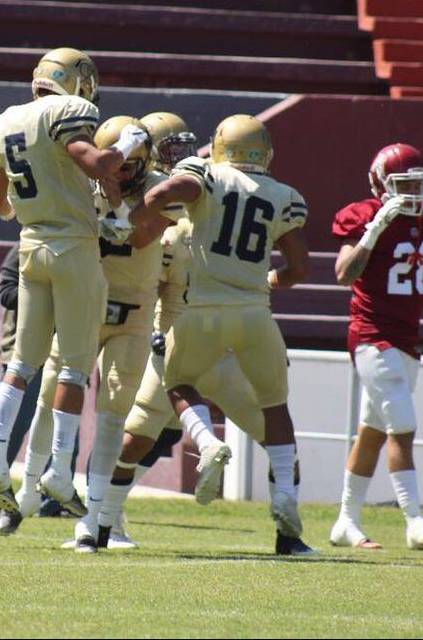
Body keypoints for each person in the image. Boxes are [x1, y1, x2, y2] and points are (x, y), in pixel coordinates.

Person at [110, 114, 312, 551]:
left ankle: (103, 522)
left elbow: (145, 273)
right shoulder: (281, 196)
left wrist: (127, 214)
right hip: (250, 323)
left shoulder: (195, 194)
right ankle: (289, 529)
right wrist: (264, 284)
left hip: (189, 328)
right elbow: (299, 268)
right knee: (277, 421)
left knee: (142, 428)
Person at [0, 47, 149, 514]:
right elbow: (98, 164)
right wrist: (127, 145)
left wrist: (38, 209)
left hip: (31, 245)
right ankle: (58, 472)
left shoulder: (4, 120)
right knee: (73, 369)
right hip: (73, 249)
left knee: (23, 364)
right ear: (75, 80)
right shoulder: (70, 111)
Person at [0, 115, 176, 550]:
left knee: (113, 412)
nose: (119, 172)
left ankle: (93, 521)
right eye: (114, 164)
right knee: (48, 396)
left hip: (131, 315)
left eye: (126, 165)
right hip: (85, 307)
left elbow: (138, 236)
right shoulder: (82, 184)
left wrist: (113, 203)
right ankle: (27, 492)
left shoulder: (159, 188)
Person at [328, 143, 423, 551]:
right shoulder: (364, 215)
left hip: (406, 338)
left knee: (372, 432)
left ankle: (346, 522)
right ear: (380, 185)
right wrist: (374, 230)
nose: (416, 190)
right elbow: (343, 274)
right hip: (370, 334)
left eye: (420, 181)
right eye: (405, 183)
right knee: (402, 426)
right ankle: (415, 521)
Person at [0, 244, 75, 517]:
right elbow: (6, 292)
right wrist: (46, 300)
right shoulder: (27, 244)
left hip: (62, 351)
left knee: (62, 419)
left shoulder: (80, 245)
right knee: (12, 422)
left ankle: (52, 497)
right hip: (22, 349)